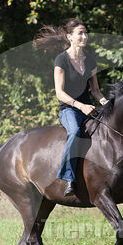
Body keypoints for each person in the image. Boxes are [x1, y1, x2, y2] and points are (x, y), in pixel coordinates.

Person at [33, 19, 108, 196]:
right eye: (80, 33)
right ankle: (67, 177)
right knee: (74, 132)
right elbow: (59, 93)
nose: (84, 36)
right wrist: (80, 106)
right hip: (69, 109)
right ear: (70, 37)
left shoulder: (90, 60)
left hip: (88, 107)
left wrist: (106, 103)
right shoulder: (61, 60)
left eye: (85, 33)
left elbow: (95, 90)